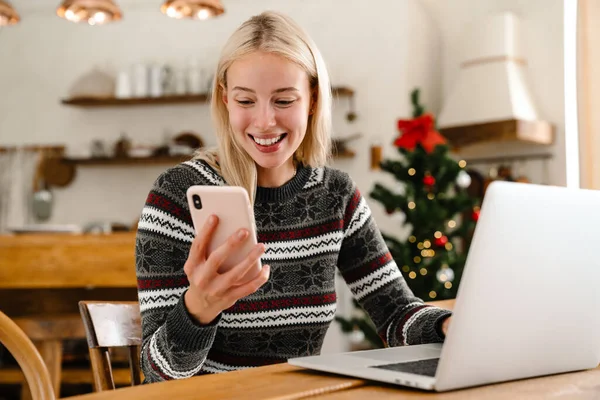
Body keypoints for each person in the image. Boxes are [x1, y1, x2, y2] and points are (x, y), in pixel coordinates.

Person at [135, 10, 452, 383]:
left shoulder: (335, 195)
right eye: (245, 101)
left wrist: (450, 325)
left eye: (284, 101)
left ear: (313, 99)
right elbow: (157, 374)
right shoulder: (177, 195)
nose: (265, 121)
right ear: (224, 100)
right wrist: (197, 311)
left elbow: (397, 316)